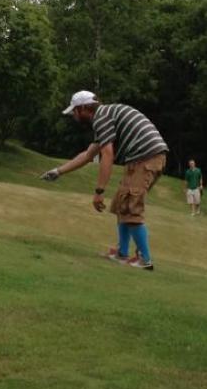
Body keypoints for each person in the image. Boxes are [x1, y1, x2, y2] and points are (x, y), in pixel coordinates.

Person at [40, 91, 168, 270]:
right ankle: (122, 253)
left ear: (84, 108)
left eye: (75, 111)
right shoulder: (105, 117)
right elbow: (89, 154)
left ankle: (145, 261)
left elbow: (107, 154)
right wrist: (58, 171)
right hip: (144, 158)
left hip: (146, 158)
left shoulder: (101, 118)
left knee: (131, 207)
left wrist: (99, 192)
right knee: (120, 205)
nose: (74, 116)